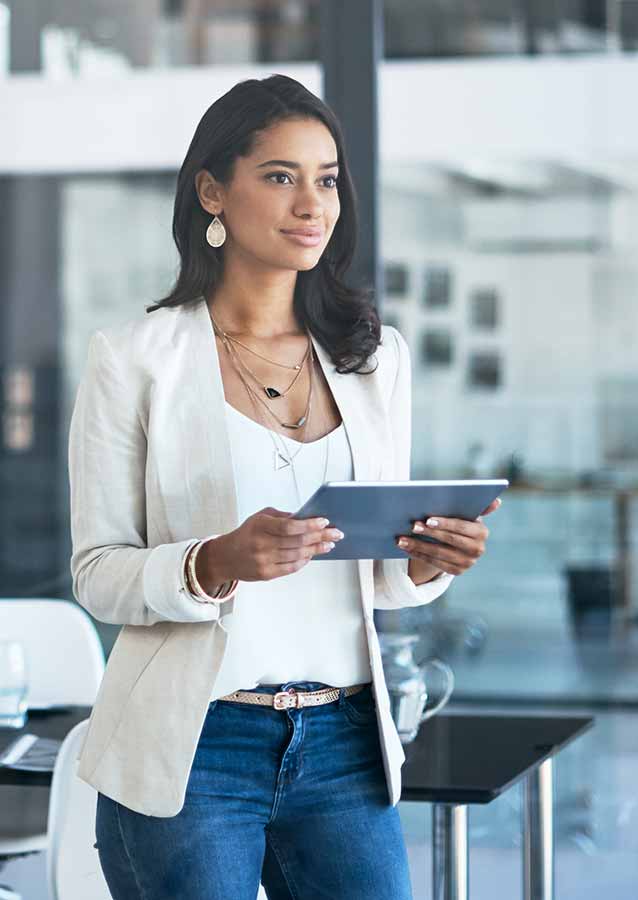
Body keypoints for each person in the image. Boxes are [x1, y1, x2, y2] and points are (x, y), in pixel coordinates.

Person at [68, 75, 501, 900]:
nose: (313, 203)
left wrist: (426, 558)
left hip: (344, 738)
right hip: (194, 745)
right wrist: (213, 561)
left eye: (327, 178)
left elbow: (377, 574)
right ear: (211, 191)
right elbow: (97, 571)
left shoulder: (375, 360)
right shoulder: (134, 359)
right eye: (280, 175)